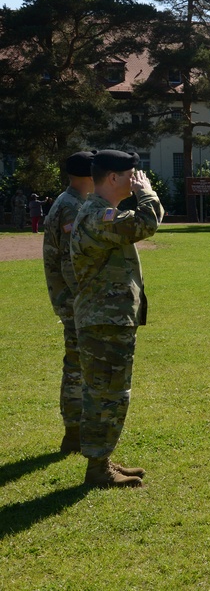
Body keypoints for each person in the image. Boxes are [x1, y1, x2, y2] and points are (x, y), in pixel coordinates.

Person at [71, 150, 163, 488]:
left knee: (110, 391)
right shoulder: (97, 216)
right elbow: (147, 222)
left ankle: (103, 459)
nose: (136, 178)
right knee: (105, 394)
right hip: (103, 320)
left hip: (108, 318)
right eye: (131, 173)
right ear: (112, 178)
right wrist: (147, 193)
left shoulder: (102, 213)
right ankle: (97, 469)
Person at [42, 151, 95, 453]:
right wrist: (85, 299)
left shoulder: (70, 202)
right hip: (74, 301)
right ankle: (74, 432)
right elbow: (69, 263)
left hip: (70, 298)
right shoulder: (72, 206)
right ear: (89, 176)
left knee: (77, 364)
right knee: (76, 366)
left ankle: (75, 431)